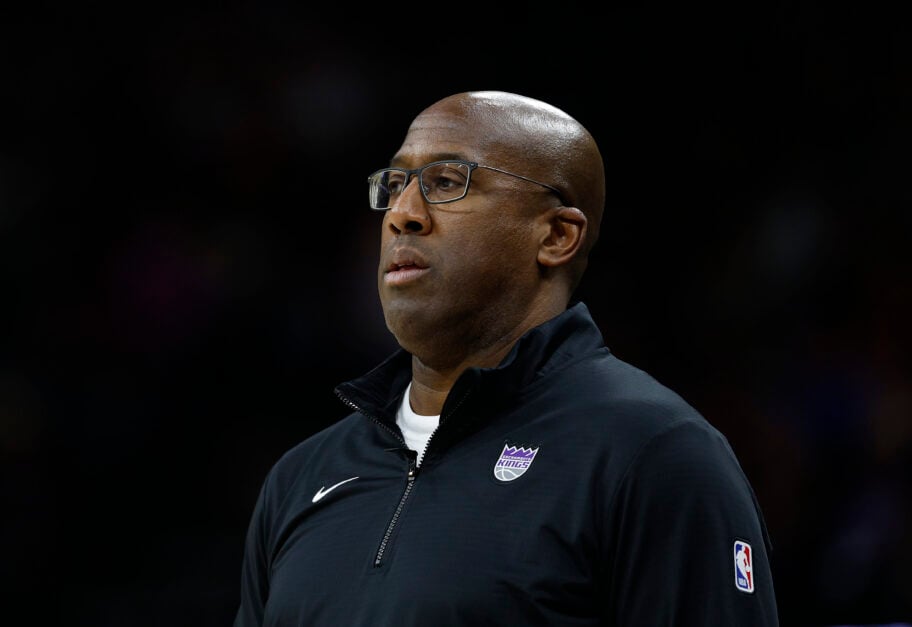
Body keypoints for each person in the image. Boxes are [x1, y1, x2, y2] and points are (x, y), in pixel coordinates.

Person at [233, 90, 780, 626]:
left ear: (557, 235)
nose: (402, 214)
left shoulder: (653, 452)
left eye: (447, 182)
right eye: (395, 185)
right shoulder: (303, 474)